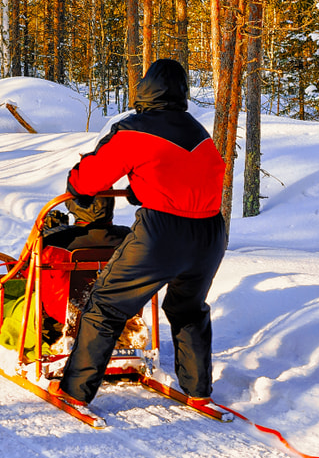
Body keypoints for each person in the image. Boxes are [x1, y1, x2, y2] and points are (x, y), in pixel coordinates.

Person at [50, 58, 227, 408]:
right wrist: (141, 187)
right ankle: (198, 391)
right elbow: (184, 176)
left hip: (162, 234)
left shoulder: (135, 129)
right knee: (187, 309)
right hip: (210, 234)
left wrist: (77, 184)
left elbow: (88, 180)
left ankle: (74, 393)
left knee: (105, 305)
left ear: (145, 89)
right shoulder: (199, 133)